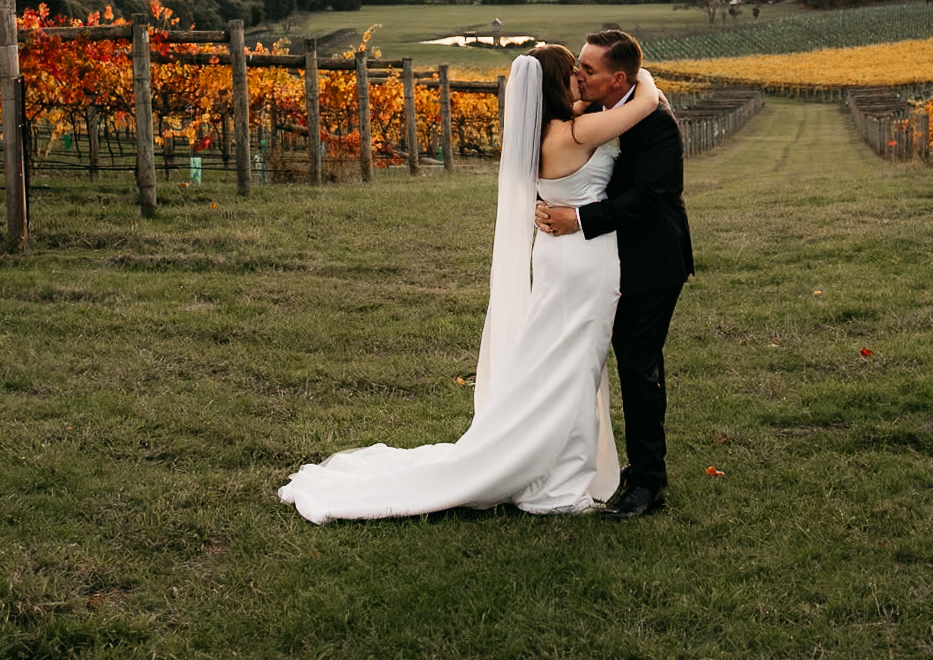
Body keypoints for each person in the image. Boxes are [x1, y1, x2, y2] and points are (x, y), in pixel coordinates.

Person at [276, 45, 668, 522]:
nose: (581, 81)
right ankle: (558, 482)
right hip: (582, 262)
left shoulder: (550, 130)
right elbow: (645, 101)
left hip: (557, 256)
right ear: (556, 84)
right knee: (574, 366)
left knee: (558, 359)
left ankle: (556, 462)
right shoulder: (579, 131)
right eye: (574, 73)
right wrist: (641, 78)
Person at [534, 29, 694, 519]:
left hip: (651, 263)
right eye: (576, 67)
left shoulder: (657, 122)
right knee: (622, 363)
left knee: (638, 366)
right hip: (605, 264)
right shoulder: (598, 112)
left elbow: (650, 198)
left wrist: (577, 219)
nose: (578, 75)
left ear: (616, 78)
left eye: (588, 69)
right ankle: (636, 467)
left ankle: (648, 483)